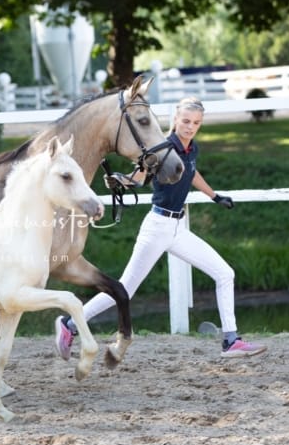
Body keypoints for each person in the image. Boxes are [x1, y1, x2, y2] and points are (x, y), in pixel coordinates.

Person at [55, 96, 267, 359]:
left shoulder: (192, 149)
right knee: (125, 290)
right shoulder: (162, 148)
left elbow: (192, 173)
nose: (190, 127)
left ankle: (231, 340)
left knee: (225, 273)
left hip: (178, 229)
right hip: (157, 228)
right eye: (186, 121)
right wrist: (123, 180)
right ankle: (69, 324)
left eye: (196, 123)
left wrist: (214, 196)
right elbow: (140, 176)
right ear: (176, 119)